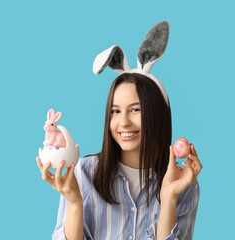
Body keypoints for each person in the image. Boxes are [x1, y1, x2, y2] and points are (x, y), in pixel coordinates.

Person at [36, 22, 202, 240]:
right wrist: (74, 202)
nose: (123, 122)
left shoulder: (184, 184)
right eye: (115, 111)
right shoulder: (83, 174)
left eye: (135, 110)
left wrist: (169, 195)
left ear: (157, 113)